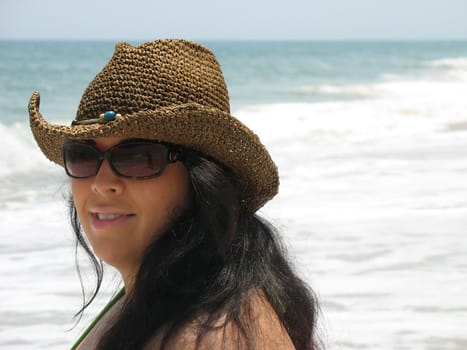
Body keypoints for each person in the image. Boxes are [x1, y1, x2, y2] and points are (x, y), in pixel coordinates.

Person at [28, 39, 321, 350]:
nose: (101, 183)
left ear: (203, 180)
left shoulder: (213, 335)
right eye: (83, 156)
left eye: (137, 158)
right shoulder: (155, 299)